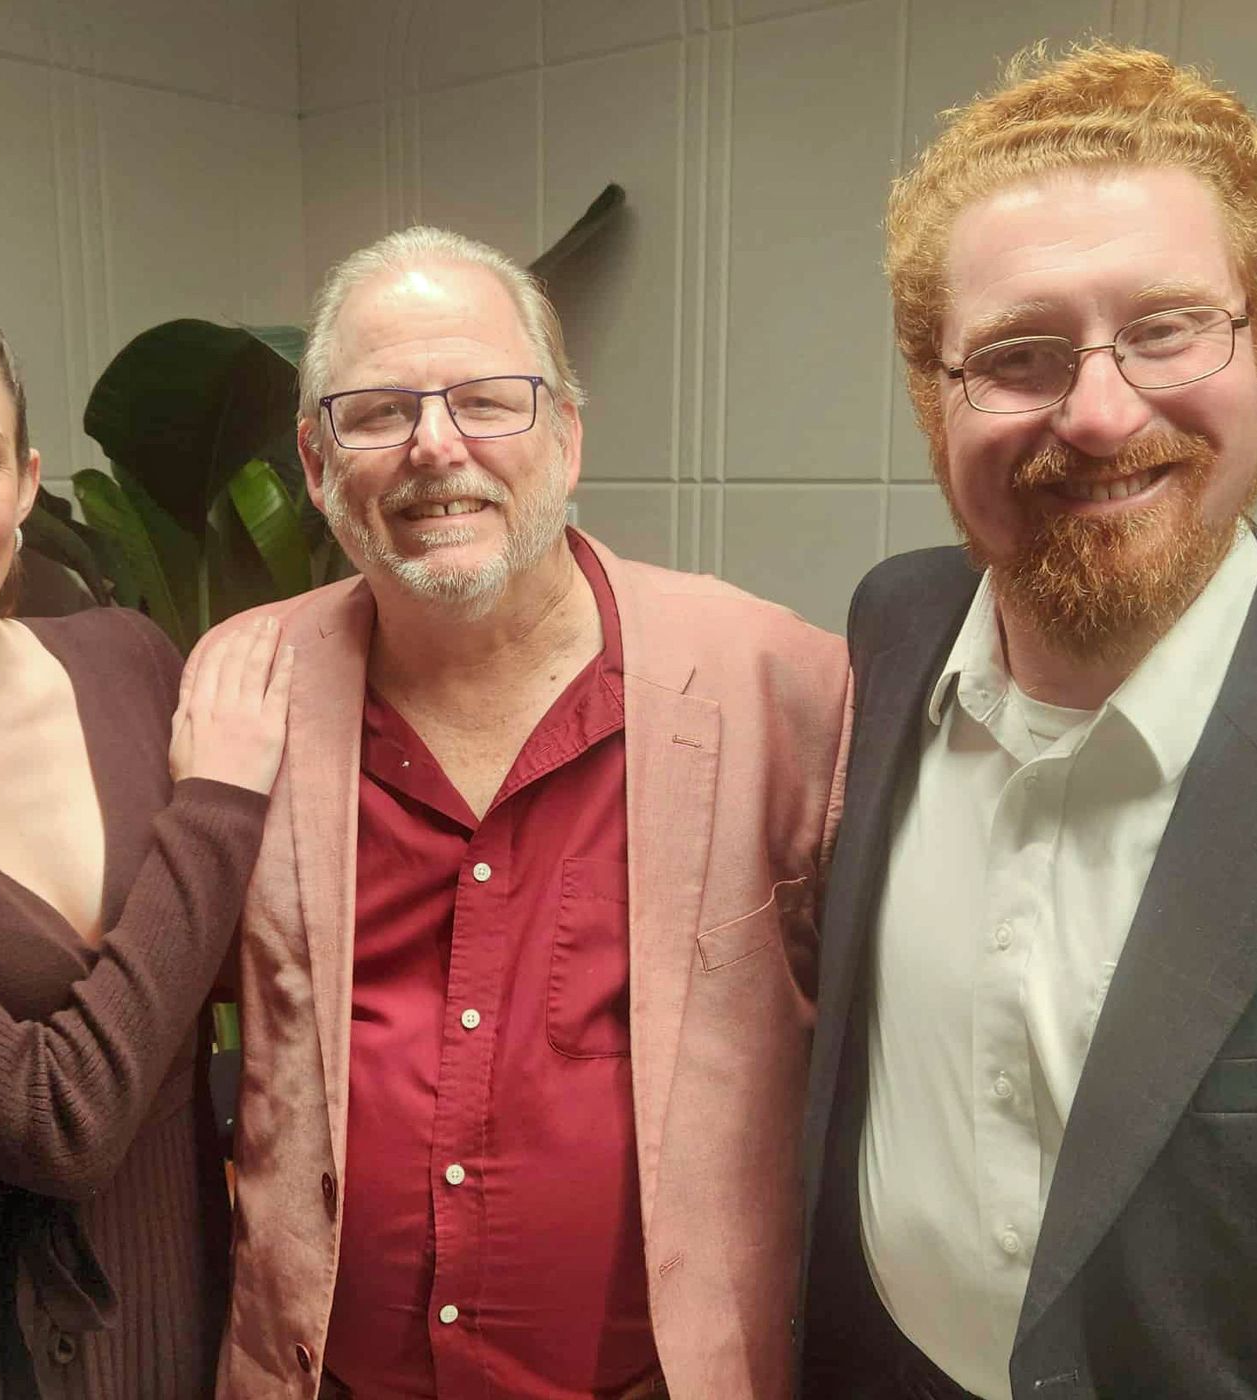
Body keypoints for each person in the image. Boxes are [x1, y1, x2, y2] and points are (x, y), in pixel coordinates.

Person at [204, 225, 851, 1399]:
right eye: (377, 411)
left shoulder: (775, 686)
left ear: (566, 435)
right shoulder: (244, 683)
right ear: (314, 458)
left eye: (486, 400)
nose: (434, 445)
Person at [800, 41, 1257, 1400]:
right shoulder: (893, 629)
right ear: (934, 394)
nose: (1099, 414)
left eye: (1166, 327)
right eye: (1019, 353)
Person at [0, 282, 293, 1397]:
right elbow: (62, 1121)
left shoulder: (130, 661)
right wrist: (218, 809)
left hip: (195, 1333)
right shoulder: (210, 784)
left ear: (26, 483)